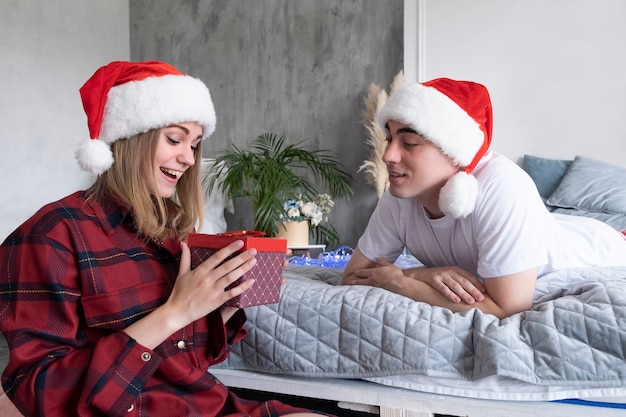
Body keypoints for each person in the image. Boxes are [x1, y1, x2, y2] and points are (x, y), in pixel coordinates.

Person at [0, 61, 330, 417]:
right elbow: (37, 394)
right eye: (175, 139)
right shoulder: (50, 236)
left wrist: (226, 300)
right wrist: (175, 312)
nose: (188, 158)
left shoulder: (170, 227)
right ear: (130, 138)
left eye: (195, 144)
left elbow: (184, 359)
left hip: (208, 407)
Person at [342, 78, 626, 319]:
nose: (388, 156)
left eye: (410, 143)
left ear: (454, 154)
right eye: (389, 139)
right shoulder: (400, 194)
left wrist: (407, 281)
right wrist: (428, 274)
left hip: (606, 247)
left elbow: (507, 307)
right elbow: (351, 277)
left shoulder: (503, 187)